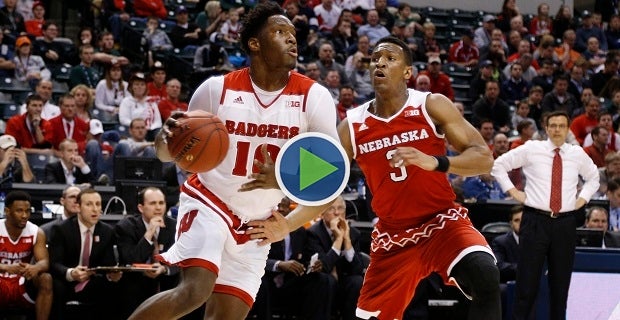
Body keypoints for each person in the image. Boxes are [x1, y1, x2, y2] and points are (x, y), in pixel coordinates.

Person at [253, 36, 502, 319]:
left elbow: (483, 157)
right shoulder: (352, 125)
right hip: (393, 235)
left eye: (390, 58)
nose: (379, 62)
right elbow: (319, 189)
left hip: (441, 221)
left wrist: (434, 161)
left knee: (485, 276)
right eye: (375, 59)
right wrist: (284, 200)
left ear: (408, 72)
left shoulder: (431, 105)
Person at [128, 3, 338, 319]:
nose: (292, 40)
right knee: (194, 292)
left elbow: (329, 181)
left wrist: (286, 221)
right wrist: (164, 137)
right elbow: (168, 154)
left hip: (258, 223)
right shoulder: (217, 90)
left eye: (293, 34)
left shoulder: (314, 97)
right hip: (210, 202)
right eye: (280, 33)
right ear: (254, 43)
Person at [491, 110, 600, 320]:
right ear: (546, 128)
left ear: (568, 129)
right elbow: (499, 166)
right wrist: (514, 193)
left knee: (560, 288)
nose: (557, 129)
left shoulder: (576, 153)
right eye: (553, 125)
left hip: (565, 224)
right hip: (535, 220)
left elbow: (593, 177)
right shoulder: (533, 149)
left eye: (562, 125)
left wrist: (582, 200)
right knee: (526, 286)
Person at [252, 197, 332, 319]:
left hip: (290, 282)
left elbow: (306, 256)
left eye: (286, 206)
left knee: (322, 280)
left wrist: (314, 265)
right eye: (279, 206)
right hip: (268, 279)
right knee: (261, 282)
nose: (282, 209)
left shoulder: (300, 231)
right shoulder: (260, 228)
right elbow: (252, 259)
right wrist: (279, 264)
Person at [48, 189, 122, 319]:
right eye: (89, 204)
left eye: (98, 204)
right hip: (67, 279)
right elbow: (54, 263)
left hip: (92, 280)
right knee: (56, 286)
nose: (95, 209)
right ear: (78, 207)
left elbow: (108, 263)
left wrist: (112, 275)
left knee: (112, 287)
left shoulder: (107, 231)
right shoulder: (61, 229)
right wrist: (71, 273)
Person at [114, 187, 180, 319]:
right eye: (152, 203)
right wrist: (149, 233)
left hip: (166, 282)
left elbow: (181, 259)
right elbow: (130, 259)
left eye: (161, 203)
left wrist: (164, 269)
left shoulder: (174, 227)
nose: (158, 208)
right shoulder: (126, 227)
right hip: (136, 283)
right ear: (141, 208)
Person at [303, 195, 363, 320]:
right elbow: (322, 267)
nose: (337, 213)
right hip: (319, 285)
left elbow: (357, 269)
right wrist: (338, 240)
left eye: (340, 208)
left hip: (342, 284)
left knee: (357, 281)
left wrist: (346, 240)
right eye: (331, 209)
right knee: (326, 279)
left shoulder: (354, 233)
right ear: (322, 213)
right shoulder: (313, 233)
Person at [0, 190, 52, 320]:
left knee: (46, 278)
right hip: (1, 279)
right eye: (19, 211)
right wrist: (5, 268)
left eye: (28, 211)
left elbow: (44, 262)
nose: (25, 215)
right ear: (7, 211)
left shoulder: (36, 232)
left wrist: (35, 268)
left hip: (21, 281)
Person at [491, 205, 522, 283]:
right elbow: (499, 265)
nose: (521, 224)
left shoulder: (539, 241)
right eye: (517, 220)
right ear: (511, 224)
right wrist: (525, 268)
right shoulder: (500, 242)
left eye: (524, 220)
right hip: (510, 283)